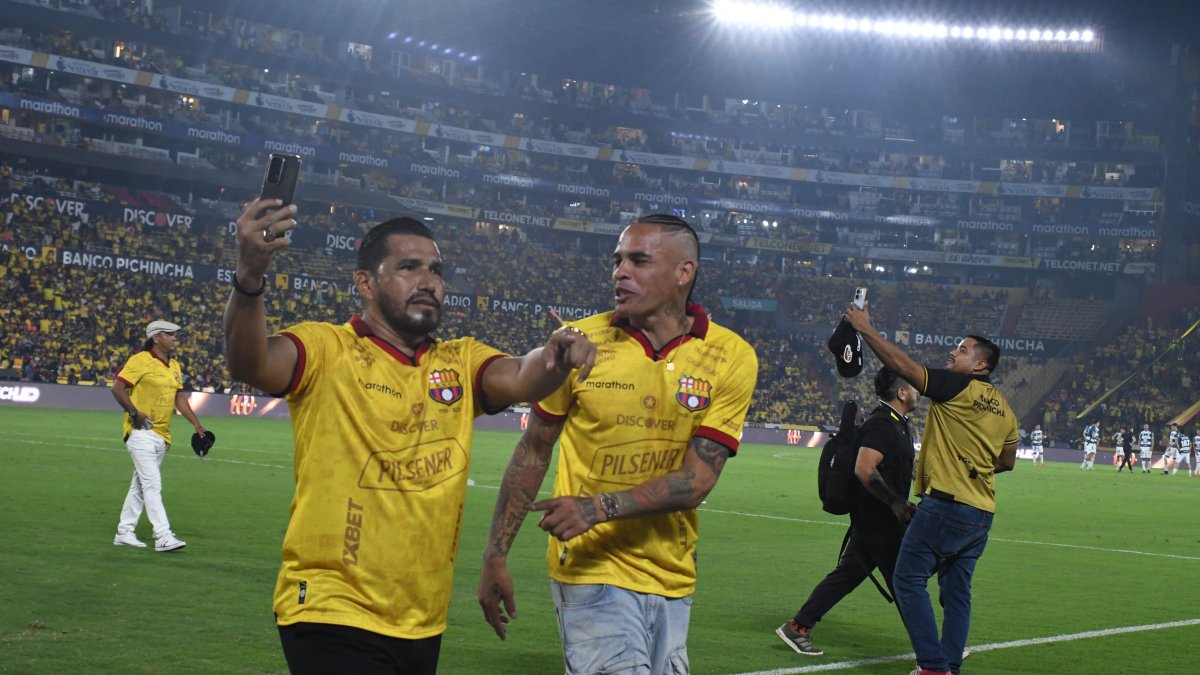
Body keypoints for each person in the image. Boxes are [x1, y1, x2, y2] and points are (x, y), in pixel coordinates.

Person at [223, 199, 596, 675]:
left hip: (421, 618)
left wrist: (555, 354)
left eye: (437, 271)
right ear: (365, 283)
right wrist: (250, 275)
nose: (429, 282)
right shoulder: (326, 349)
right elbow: (248, 363)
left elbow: (524, 373)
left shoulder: (459, 361)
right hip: (331, 607)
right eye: (408, 267)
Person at [477, 214, 757, 675]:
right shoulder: (580, 344)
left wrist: (595, 507)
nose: (619, 271)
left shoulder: (730, 356)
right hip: (590, 569)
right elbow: (534, 449)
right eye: (617, 260)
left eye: (638, 260)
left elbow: (699, 479)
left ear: (683, 272)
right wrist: (495, 554)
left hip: (672, 574)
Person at [845, 304, 1017, 675]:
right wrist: (972, 467)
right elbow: (1006, 462)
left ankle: (933, 667)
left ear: (980, 366)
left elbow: (905, 367)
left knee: (907, 579)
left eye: (963, 348)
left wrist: (866, 329)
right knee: (957, 595)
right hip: (981, 512)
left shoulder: (958, 386)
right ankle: (949, 666)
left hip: (946, 506)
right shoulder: (1005, 409)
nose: (954, 351)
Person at [776, 367, 918, 657]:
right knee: (905, 582)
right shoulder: (882, 424)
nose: (918, 390)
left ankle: (798, 626)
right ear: (902, 393)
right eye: (913, 386)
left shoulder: (898, 423)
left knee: (849, 575)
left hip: (877, 522)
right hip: (880, 521)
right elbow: (864, 470)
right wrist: (895, 503)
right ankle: (932, 650)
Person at [111, 319, 205, 552]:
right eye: (169, 334)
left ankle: (124, 532)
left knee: (140, 487)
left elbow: (179, 399)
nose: (174, 337)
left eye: (175, 334)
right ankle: (162, 535)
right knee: (152, 484)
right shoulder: (140, 360)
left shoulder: (174, 366)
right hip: (141, 432)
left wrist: (196, 424)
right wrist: (134, 413)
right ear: (156, 338)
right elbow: (117, 388)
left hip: (163, 435)